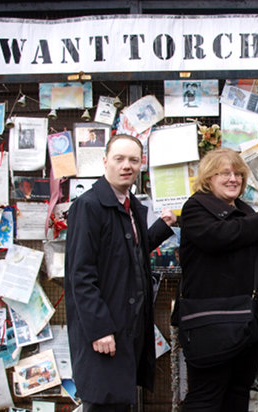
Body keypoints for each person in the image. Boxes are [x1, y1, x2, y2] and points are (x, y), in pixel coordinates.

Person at [65, 134, 177, 411]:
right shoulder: (89, 206)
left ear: (141, 165)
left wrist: (161, 228)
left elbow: (127, 253)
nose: (126, 165)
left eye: (133, 160)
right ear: (105, 161)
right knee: (103, 402)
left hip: (128, 330)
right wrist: (100, 329)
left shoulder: (131, 207)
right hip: (104, 332)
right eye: (119, 159)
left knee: (120, 402)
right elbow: (80, 275)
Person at [175, 147, 258, 411]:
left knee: (237, 395)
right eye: (225, 173)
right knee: (205, 399)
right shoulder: (195, 208)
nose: (233, 179)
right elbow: (219, 236)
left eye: (238, 174)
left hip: (248, 321)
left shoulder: (245, 211)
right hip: (211, 322)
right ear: (209, 178)